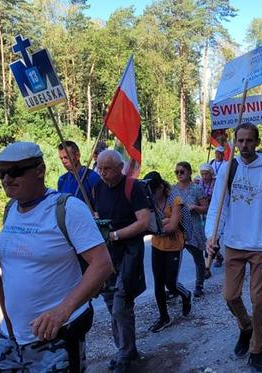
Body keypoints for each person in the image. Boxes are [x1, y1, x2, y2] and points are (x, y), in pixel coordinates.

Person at [0, 142, 113, 372]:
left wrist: (62, 311)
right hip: (11, 334)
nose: (7, 179)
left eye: (16, 171)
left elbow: (102, 264)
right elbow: (23, 254)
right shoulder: (11, 209)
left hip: (55, 336)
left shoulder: (68, 209)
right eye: (2, 173)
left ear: (40, 170)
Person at [205, 123, 262, 373]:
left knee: (258, 300)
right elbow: (219, 206)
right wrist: (211, 235)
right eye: (240, 141)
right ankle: (245, 326)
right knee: (229, 295)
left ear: (257, 141)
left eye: (249, 141)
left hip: (260, 246)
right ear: (235, 142)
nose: (244, 146)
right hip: (233, 244)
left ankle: (257, 349)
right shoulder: (228, 169)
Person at [93, 149, 151, 372]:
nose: (102, 172)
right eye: (100, 168)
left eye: (107, 168)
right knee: (113, 304)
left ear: (119, 168)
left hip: (129, 252)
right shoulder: (97, 188)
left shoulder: (132, 187)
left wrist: (115, 235)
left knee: (120, 305)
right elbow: (97, 214)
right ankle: (129, 349)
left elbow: (143, 222)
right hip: (107, 255)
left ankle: (124, 353)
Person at [144, 171, 192, 332]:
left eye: (152, 191)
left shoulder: (175, 200)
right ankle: (164, 317)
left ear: (160, 188)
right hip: (157, 245)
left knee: (170, 283)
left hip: (173, 246)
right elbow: (146, 224)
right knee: (158, 283)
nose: (150, 195)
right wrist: (162, 223)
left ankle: (185, 295)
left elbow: (172, 227)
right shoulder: (148, 201)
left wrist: (158, 225)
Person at [172, 161, 208, 297]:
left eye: (182, 172)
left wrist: (196, 207)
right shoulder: (173, 189)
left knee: (198, 258)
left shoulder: (197, 189)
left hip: (193, 228)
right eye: (177, 172)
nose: (179, 174)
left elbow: (206, 208)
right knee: (173, 259)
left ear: (189, 172)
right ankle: (173, 286)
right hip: (177, 229)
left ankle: (199, 285)